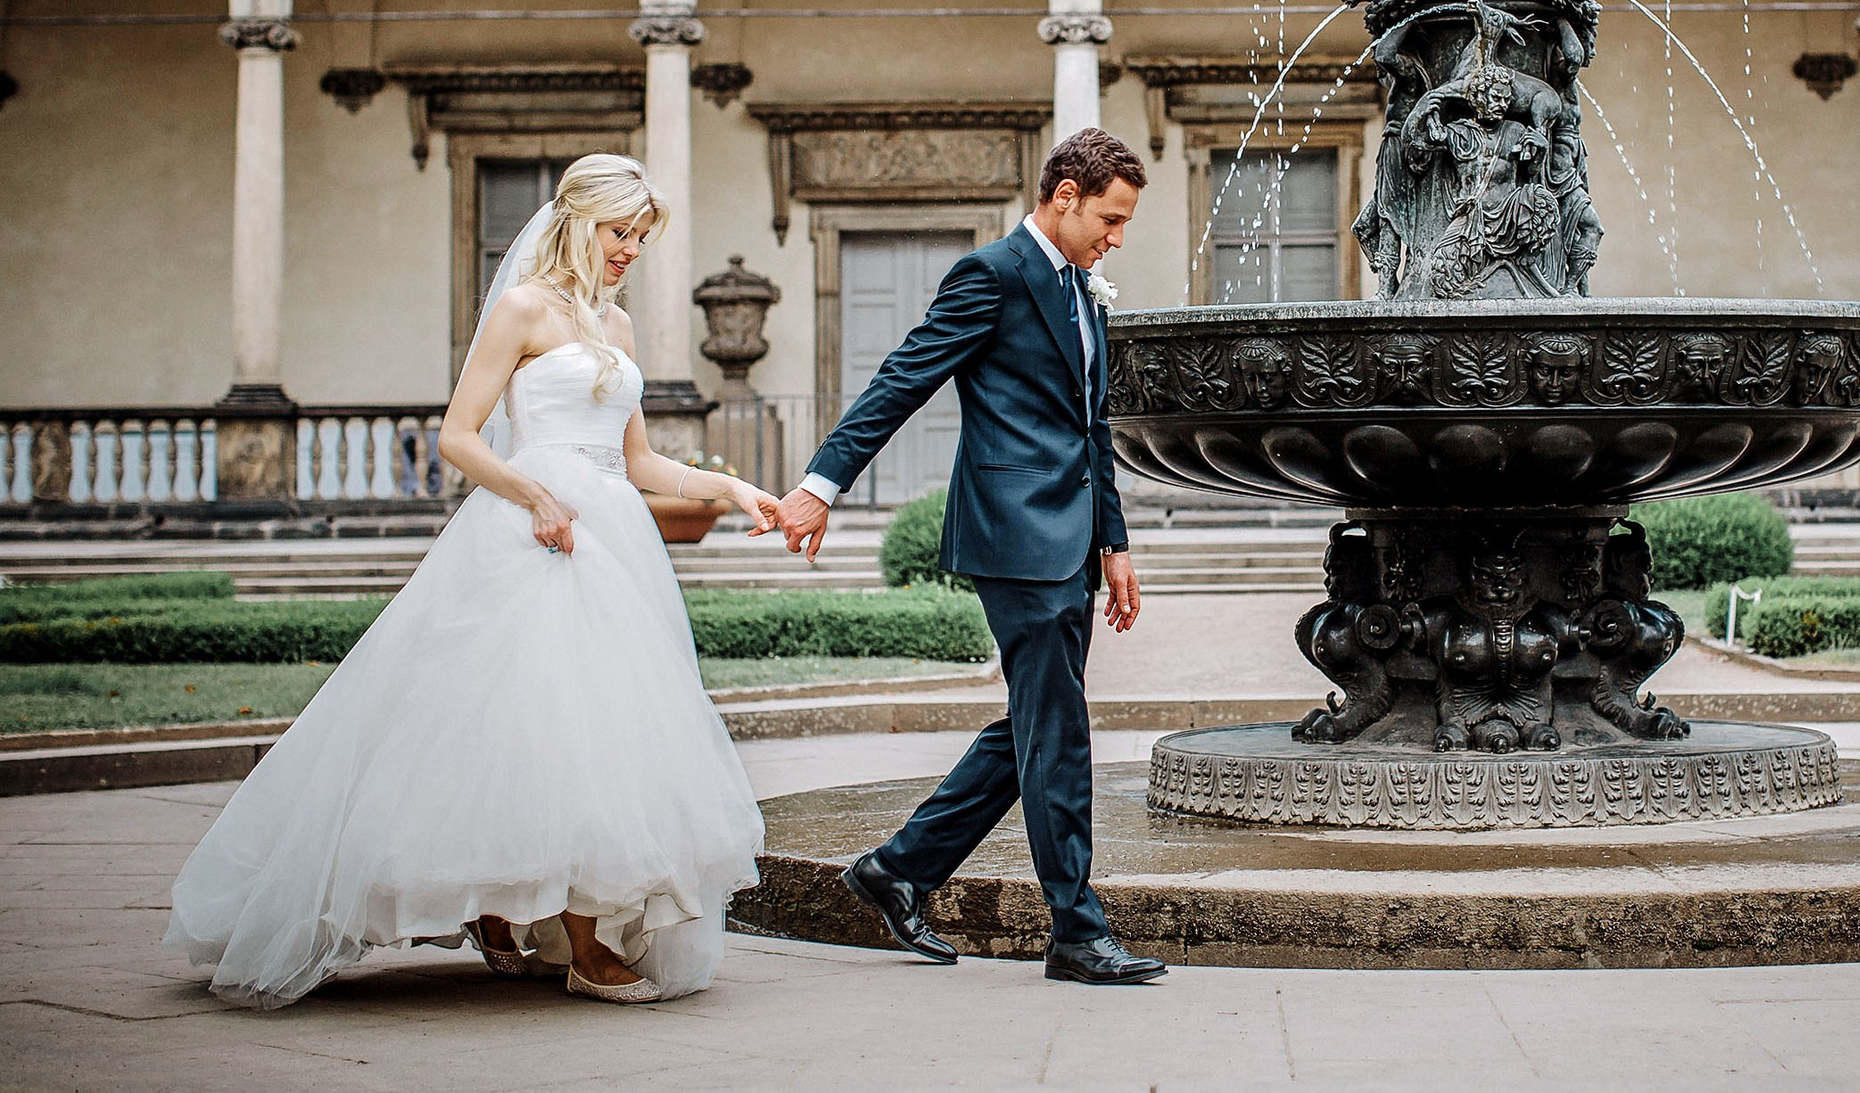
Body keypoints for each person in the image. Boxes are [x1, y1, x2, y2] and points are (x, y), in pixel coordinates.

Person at [165, 154, 780, 1008]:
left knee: (598, 731)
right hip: (531, 536)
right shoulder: (525, 309)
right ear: (575, 221)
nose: (632, 249)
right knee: (524, 726)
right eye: (620, 232)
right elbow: (459, 435)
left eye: (642, 236)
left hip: (612, 542)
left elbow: (639, 461)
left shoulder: (620, 326)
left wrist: (730, 486)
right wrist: (532, 491)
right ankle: (581, 944)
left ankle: (534, 919)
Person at [770, 127, 1160, 985]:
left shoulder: (1082, 289)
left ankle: (900, 868)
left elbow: (1091, 429)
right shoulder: (992, 275)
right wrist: (820, 485)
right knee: (1056, 726)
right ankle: (1077, 931)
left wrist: (1115, 543)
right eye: (1110, 217)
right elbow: (902, 379)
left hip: (1070, 541)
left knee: (1038, 721)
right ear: (1064, 195)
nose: (1116, 237)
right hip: (1013, 535)